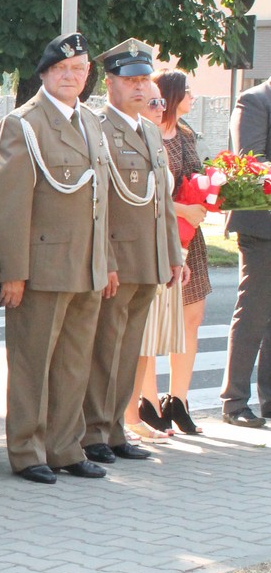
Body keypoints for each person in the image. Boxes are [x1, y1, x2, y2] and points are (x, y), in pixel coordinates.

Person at [0, 33, 113, 485]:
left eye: (79, 70)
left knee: (75, 364)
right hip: (42, 267)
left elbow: (102, 201)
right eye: (63, 70)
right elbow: (7, 205)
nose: (72, 77)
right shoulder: (24, 123)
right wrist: (13, 273)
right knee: (32, 364)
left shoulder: (91, 122)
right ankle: (26, 450)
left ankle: (64, 447)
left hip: (86, 266)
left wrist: (107, 262)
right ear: (44, 74)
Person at [79, 40, 183, 465]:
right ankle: (92, 432)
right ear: (111, 83)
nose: (140, 88)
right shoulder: (98, 126)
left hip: (150, 258)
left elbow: (163, 202)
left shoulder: (150, 129)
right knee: (104, 350)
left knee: (129, 352)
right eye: (131, 80)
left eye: (144, 80)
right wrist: (107, 260)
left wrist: (173, 254)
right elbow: (97, 204)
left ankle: (116, 428)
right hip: (119, 259)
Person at [129, 71, 207, 438]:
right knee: (152, 326)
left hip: (191, 241)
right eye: (186, 91)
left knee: (191, 320)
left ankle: (179, 400)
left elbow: (197, 177)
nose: (191, 96)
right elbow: (146, 192)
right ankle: (147, 402)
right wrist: (184, 211)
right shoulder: (144, 135)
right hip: (160, 237)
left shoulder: (186, 134)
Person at [220, 76, 271, 428]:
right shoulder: (254, 100)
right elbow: (251, 162)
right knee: (253, 313)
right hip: (260, 223)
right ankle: (234, 403)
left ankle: (269, 400)